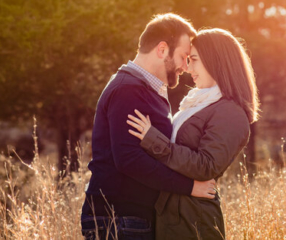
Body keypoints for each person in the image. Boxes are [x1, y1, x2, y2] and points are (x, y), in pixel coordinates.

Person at [81, 13, 217, 240]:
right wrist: (190, 187)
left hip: (130, 219)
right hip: (120, 219)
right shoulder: (129, 90)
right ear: (162, 49)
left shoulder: (146, 89)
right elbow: (128, 159)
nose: (186, 66)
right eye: (184, 56)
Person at [126, 28, 260, 240]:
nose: (188, 68)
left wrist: (154, 140)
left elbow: (206, 166)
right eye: (188, 59)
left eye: (194, 59)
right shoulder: (199, 103)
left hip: (193, 219)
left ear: (215, 61)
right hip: (173, 214)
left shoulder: (231, 113)